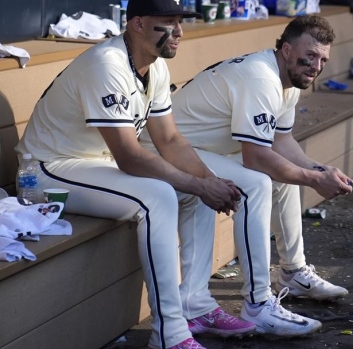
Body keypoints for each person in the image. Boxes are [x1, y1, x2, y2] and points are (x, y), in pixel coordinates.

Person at [14, 0, 257, 348]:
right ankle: (170, 334)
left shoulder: (154, 67)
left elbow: (170, 140)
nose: (179, 32)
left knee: (196, 189)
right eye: (168, 23)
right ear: (138, 24)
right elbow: (129, 156)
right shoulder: (106, 64)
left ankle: (196, 304)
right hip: (45, 171)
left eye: (180, 22)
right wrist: (199, 183)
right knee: (158, 197)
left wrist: (208, 180)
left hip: (92, 163)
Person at [139, 14, 352, 336]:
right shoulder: (261, 78)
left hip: (205, 150)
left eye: (323, 59)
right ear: (286, 50)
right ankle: (258, 303)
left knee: (287, 174)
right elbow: (256, 158)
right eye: (310, 56)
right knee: (257, 182)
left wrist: (319, 170)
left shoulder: (287, 81)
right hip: (163, 150)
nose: (316, 65)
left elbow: (281, 142)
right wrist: (313, 179)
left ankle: (293, 272)